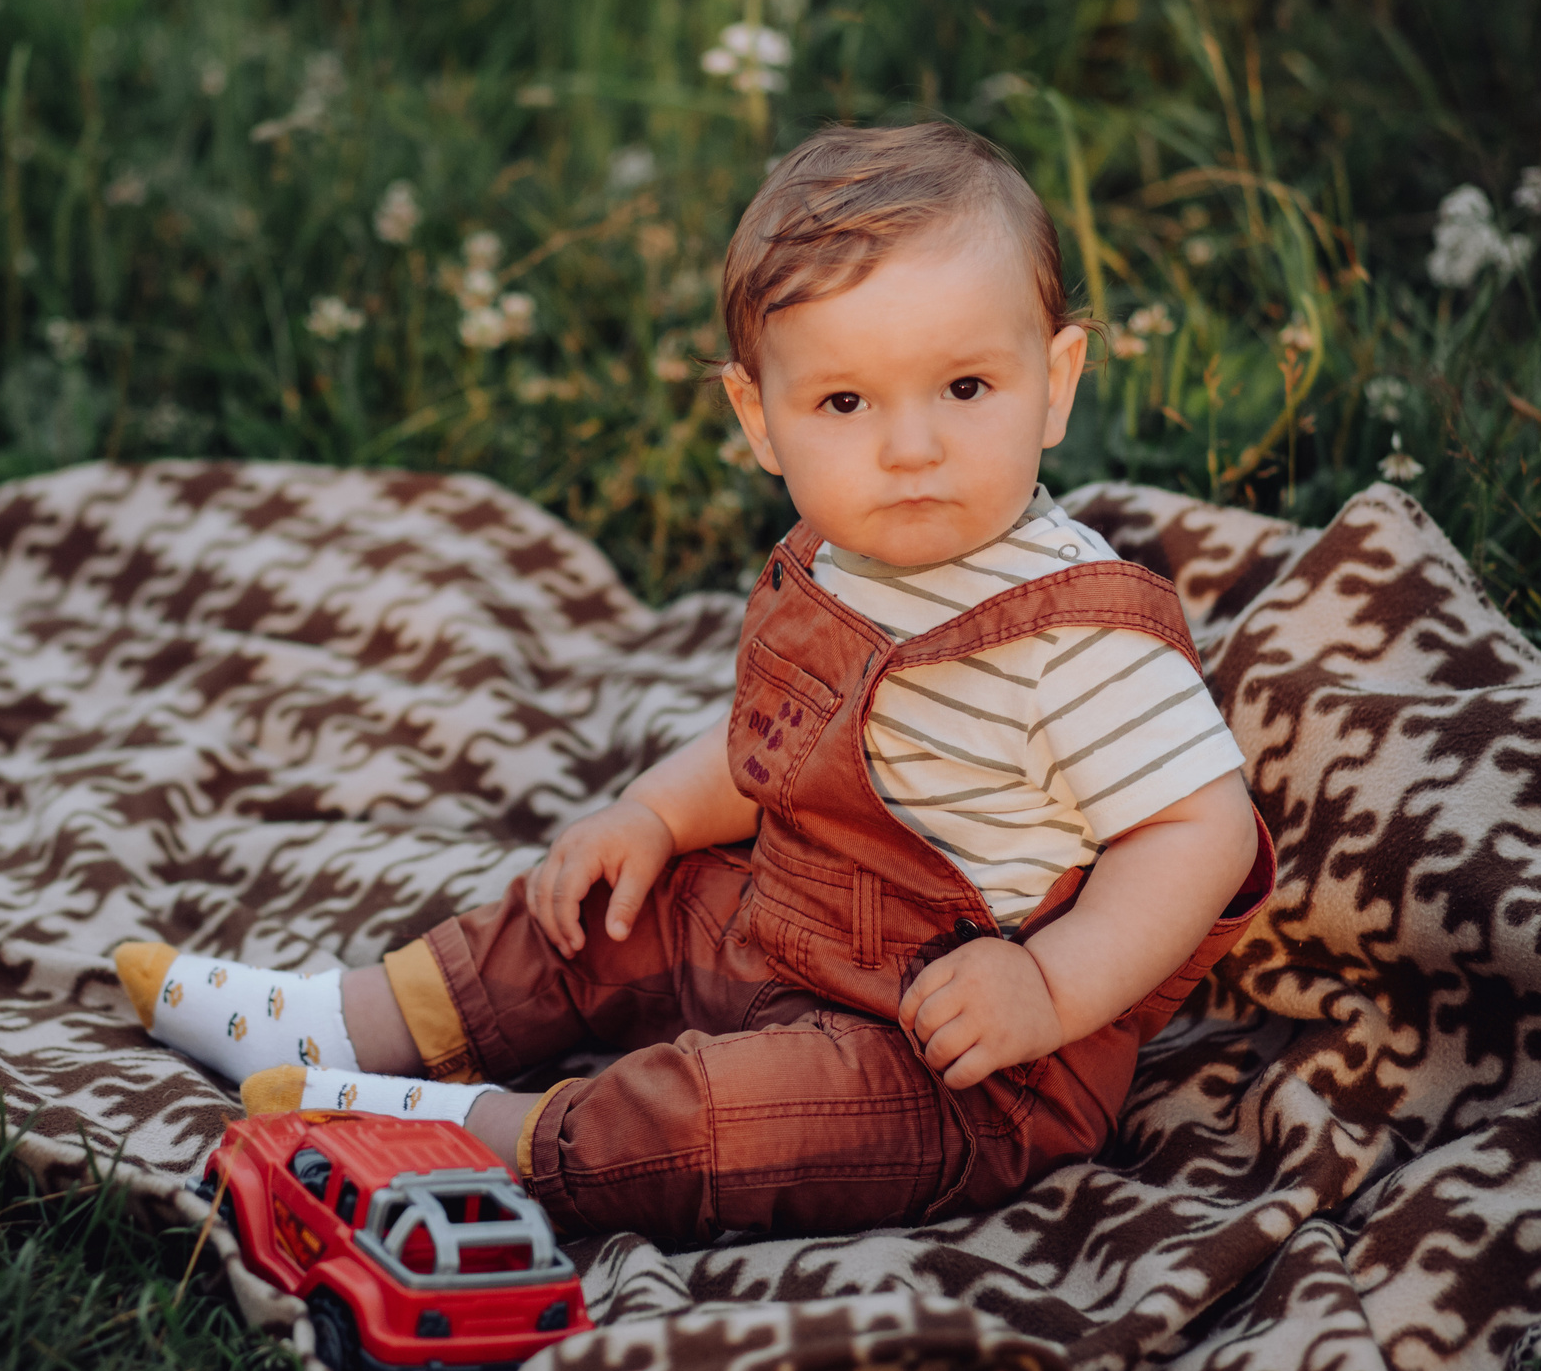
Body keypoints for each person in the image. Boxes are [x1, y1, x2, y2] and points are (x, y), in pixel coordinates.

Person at [114, 123, 1273, 1242]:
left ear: (1055, 380)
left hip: (961, 1060)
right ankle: (347, 1022)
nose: (910, 448)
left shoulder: (1080, 636)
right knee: (606, 906)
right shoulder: (838, 564)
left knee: (725, 1118)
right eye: (844, 403)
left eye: (965, 388)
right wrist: (654, 815)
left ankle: (494, 1136)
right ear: (757, 417)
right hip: (789, 930)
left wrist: (1049, 986)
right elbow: (776, 745)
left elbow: (1198, 833)